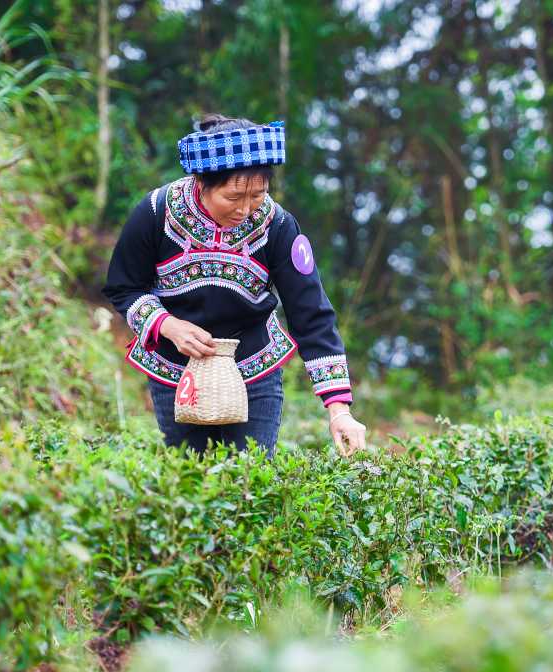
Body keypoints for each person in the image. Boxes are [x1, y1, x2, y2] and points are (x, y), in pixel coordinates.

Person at [103, 115, 367, 457]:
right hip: (178, 375)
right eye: (234, 197)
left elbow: (311, 314)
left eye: (258, 195)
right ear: (202, 182)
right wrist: (167, 325)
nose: (245, 209)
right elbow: (124, 287)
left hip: (253, 372)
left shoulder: (279, 226)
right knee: (190, 484)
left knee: (251, 482)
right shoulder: (156, 213)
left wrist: (339, 410)